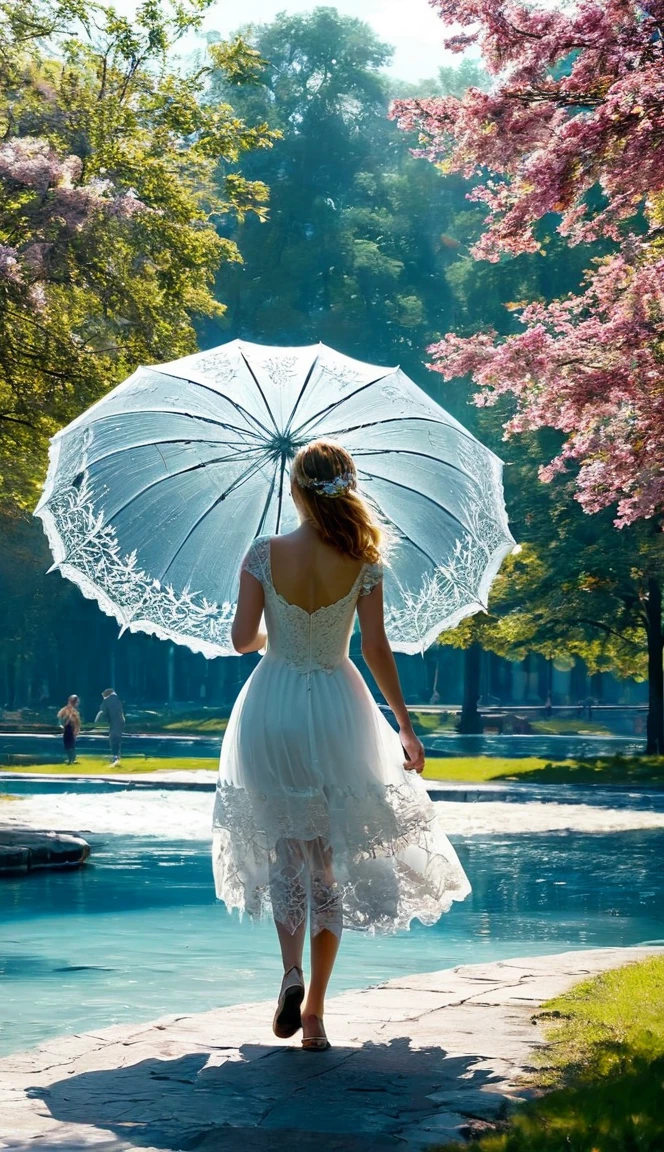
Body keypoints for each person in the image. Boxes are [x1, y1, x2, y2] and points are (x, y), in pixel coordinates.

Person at [213, 440, 471, 1052]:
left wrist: (267, 635)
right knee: (327, 860)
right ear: (346, 487)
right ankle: (317, 1017)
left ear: (296, 489)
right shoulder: (363, 559)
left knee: (285, 852)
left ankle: (289, 973)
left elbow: (240, 639)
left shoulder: (262, 553)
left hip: (271, 704)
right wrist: (404, 725)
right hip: (338, 704)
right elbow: (376, 649)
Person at [97, 688, 124, 764]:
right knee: (117, 739)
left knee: (113, 739)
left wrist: (99, 720)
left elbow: (103, 711)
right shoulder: (117, 700)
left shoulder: (107, 701)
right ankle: (117, 755)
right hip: (119, 722)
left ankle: (115, 756)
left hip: (114, 723)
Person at [57, 695, 81, 764]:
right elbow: (59, 716)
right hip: (67, 728)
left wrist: (77, 729)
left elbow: (77, 722)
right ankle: (70, 758)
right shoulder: (67, 710)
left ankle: (72, 759)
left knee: (71, 744)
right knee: (68, 745)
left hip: (71, 728)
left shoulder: (74, 711)